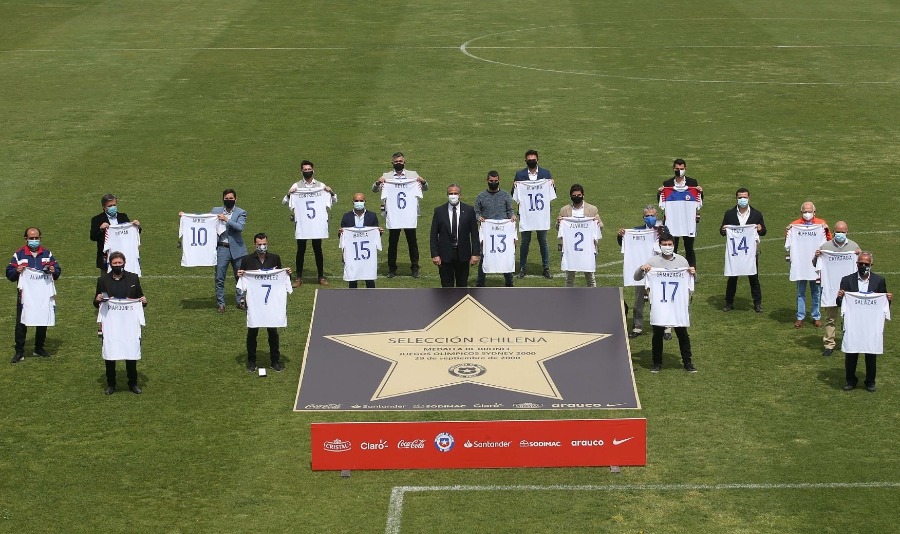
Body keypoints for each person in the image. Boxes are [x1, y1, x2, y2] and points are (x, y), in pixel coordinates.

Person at [634, 232, 697, 373]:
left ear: (674, 245)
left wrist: (693, 273)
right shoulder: (653, 261)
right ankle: (657, 363)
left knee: (682, 333)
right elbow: (637, 277)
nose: (667, 247)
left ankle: (688, 362)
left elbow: (690, 282)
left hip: (677, 304)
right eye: (665, 244)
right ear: (660, 245)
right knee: (657, 334)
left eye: (670, 244)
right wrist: (642, 268)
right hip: (660, 304)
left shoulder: (682, 261)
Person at [836, 252, 891, 392]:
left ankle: (870, 381)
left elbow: (883, 305)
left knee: (871, 352)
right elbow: (839, 304)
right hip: (853, 323)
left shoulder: (879, 281)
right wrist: (840, 297)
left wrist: (888, 299)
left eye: (866, 264)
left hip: (871, 324)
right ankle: (850, 380)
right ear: (856, 264)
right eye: (861, 263)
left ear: (871, 265)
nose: (863, 266)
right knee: (851, 352)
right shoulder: (847, 280)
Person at [237, 234, 291, 372]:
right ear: (254, 244)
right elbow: (240, 282)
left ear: (267, 243)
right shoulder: (247, 260)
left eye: (264, 243)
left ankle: (275, 360)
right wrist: (240, 275)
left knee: (273, 332)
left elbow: (280, 277)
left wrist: (287, 273)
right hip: (255, 303)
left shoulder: (274, 258)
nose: (262, 246)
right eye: (259, 244)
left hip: (271, 303)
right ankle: (251, 361)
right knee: (252, 332)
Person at [94, 252, 146, 394]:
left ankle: (133, 383)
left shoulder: (133, 278)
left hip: (129, 323)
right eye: (115, 263)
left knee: (130, 351)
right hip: (111, 323)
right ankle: (111, 384)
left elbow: (139, 296)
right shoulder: (103, 280)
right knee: (111, 352)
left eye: (119, 263)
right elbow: (96, 302)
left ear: (124, 262)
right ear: (110, 264)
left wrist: (143, 301)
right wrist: (98, 299)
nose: (117, 265)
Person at [7, 228, 61, 363]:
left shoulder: (47, 254)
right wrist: (17, 271)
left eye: (37, 238)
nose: (34, 241)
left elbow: (57, 270)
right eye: (31, 238)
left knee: (42, 320)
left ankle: (39, 348)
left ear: (40, 238)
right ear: (26, 239)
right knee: (21, 322)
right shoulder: (19, 254)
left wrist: (54, 270)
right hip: (26, 295)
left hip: (43, 294)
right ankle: (19, 351)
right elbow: (9, 273)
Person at [282, 160, 336, 288]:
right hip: (302, 223)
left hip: (316, 223)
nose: (307, 171)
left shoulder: (321, 185)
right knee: (301, 249)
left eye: (309, 169)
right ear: (301, 171)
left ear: (313, 170)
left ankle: (321, 276)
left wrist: (330, 191)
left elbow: (333, 199)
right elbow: (284, 202)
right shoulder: (296, 186)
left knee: (318, 249)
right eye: (305, 169)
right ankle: (299, 277)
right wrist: (290, 194)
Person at [372, 152, 427, 278]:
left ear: (404, 162)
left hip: (409, 214)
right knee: (393, 242)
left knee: (412, 242)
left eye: (400, 161)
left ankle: (415, 267)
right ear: (392, 163)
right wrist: (378, 182)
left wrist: (423, 181)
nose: (398, 163)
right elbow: (374, 190)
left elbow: (425, 188)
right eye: (396, 162)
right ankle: (392, 268)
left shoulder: (413, 175)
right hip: (394, 214)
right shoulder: (386, 176)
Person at [813, 221, 860, 356]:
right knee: (830, 318)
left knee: (849, 317)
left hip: (849, 290)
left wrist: (859, 254)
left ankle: (848, 341)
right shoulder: (825, 246)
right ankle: (829, 345)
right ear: (833, 232)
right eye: (838, 231)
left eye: (842, 232)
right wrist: (817, 256)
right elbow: (815, 265)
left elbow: (863, 266)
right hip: (831, 288)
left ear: (847, 232)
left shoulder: (853, 246)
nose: (840, 234)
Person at [617, 206, 664, 338]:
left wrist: (662, 234)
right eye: (647, 215)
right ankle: (637, 326)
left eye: (652, 215)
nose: (650, 218)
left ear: (657, 215)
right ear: (643, 217)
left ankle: (666, 327)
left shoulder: (663, 230)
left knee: (660, 299)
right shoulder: (636, 231)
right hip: (641, 270)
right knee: (638, 300)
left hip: (658, 270)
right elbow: (625, 244)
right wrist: (621, 236)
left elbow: (669, 245)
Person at [785, 201, 831, 328]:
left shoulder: (821, 224)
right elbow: (788, 244)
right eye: (805, 211)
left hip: (816, 264)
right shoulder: (794, 225)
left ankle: (816, 316)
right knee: (800, 291)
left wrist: (826, 230)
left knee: (816, 291)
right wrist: (788, 231)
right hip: (800, 264)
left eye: (809, 211)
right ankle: (800, 317)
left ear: (814, 212)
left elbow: (828, 242)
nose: (807, 213)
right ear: (801, 212)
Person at [720, 188, 766, 312]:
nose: (742, 199)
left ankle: (757, 303)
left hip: (751, 250)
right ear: (736, 198)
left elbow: (764, 231)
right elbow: (722, 231)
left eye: (744, 197)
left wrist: (760, 228)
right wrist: (724, 230)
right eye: (740, 197)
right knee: (732, 276)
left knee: (753, 276)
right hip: (734, 252)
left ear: (749, 198)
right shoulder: (729, 213)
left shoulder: (756, 214)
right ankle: (729, 302)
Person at [512, 149, 554, 279]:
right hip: (526, 214)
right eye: (529, 159)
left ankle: (546, 267)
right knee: (525, 241)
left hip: (541, 214)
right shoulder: (520, 175)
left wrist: (552, 184)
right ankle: (522, 267)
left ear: (537, 159)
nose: (531, 161)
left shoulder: (546, 174)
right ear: (525, 160)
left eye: (533, 159)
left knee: (543, 241)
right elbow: (515, 195)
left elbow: (551, 194)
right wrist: (515, 186)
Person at [430, 184, 480, 287]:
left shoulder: (469, 210)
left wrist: (475, 253)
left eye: (455, 193)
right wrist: (435, 254)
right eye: (450, 193)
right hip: (445, 254)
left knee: (462, 285)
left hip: (463, 254)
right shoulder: (439, 211)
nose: (453, 195)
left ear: (460, 195)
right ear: (447, 195)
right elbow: (433, 234)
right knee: (446, 286)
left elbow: (475, 234)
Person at [658, 159, 702, 268]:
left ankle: (692, 271)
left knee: (689, 248)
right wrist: (660, 192)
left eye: (681, 168)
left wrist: (700, 192)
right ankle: (673, 269)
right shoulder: (667, 184)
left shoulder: (693, 183)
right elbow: (661, 203)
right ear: (673, 169)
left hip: (688, 222)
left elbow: (699, 202)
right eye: (677, 169)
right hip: (673, 222)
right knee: (673, 247)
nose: (679, 170)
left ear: (685, 168)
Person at [475, 170, 515, 287]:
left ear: (499, 180)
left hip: (503, 232)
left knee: (505, 256)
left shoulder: (506, 195)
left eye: (496, 181)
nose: (493, 183)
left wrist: (512, 217)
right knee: (484, 256)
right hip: (488, 232)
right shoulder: (481, 196)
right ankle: (480, 283)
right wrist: (479, 218)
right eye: (491, 181)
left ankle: (509, 282)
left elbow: (509, 210)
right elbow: (476, 212)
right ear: (487, 181)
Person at [557, 184, 602, 287]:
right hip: (570, 249)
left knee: (590, 277)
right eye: (574, 195)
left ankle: (593, 299)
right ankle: (568, 300)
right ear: (570, 196)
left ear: (583, 195)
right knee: (569, 278)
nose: (577, 197)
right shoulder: (564, 210)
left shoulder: (592, 209)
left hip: (588, 248)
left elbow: (601, 227)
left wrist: (597, 222)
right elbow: (559, 229)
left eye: (579, 195)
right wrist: (559, 222)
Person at [212, 189, 248, 313]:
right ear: (222, 199)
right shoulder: (215, 211)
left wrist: (227, 220)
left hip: (237, 249)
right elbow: (204, 220)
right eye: (226, 198)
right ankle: (221, 303)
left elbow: (240, 227)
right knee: (219, 278)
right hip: (222, 248)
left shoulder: (241, 212)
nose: (229, 200)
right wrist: (184, 216)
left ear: (235, 199)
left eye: (231, 198)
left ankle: (241, 301)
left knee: (240, 277)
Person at [90, 194, 140, 275]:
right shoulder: (97, 219)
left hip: (123, 254)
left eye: (114, 205)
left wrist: (136, 227)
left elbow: (130, 233)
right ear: (104, 207)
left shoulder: (123, 216)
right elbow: (93, 237)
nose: (113, 207)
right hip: (106, 257)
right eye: (110, 206)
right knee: (106, 283)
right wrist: (101, 229)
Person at [340, 193, 381, 288]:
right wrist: (341, 232)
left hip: (368, 256)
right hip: (352, 255)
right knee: (352, 279)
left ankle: (372, 299)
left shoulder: (372, 216)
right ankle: (352, 300)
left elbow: (374, 236)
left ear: (365, 202)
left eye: (361, 201)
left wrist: (379, 232)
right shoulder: (346, 217)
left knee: (370, 280)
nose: (359, 203)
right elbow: (343, 237)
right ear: (353, 202)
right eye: (357, 201)